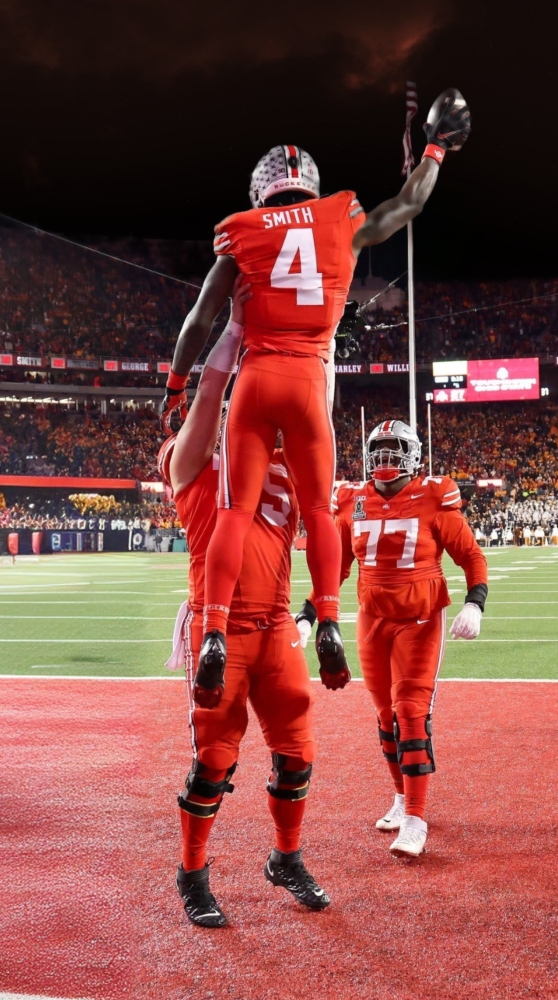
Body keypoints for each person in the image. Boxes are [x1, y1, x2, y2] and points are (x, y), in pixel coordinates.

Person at [160, 94, 472, 706]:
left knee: (232, 514)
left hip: (255, 380)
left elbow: (200, 321)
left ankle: (215, 633)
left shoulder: (240, 230)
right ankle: (328, 618)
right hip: (309, 381)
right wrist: (436, 147)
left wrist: (174, 384)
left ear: (261, 190)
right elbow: (409, 202)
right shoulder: (341, 216)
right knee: (319, 513)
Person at [160, 277, 329, 929]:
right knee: (214, 762)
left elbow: (311, 398)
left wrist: (317, 343)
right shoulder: (191, 463)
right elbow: (207, 396)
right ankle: (193, 873)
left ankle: (286, 857)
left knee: (298, 755)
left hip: (279, 628)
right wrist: (234, 329)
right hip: (220, 629)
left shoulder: (284, 462)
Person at [297, 421, 488, 857]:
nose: (384, 458)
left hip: (420, 618)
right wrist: (309, 614)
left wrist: (474, 603)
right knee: (386, 715)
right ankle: (402, 797)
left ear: (413, 454)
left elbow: (471, 556)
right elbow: (336, 568)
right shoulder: (352, 500)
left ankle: (418, 819)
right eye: (378, 450)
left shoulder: (435, 495)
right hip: (373, 618)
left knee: (411, 712)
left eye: (393, 449)